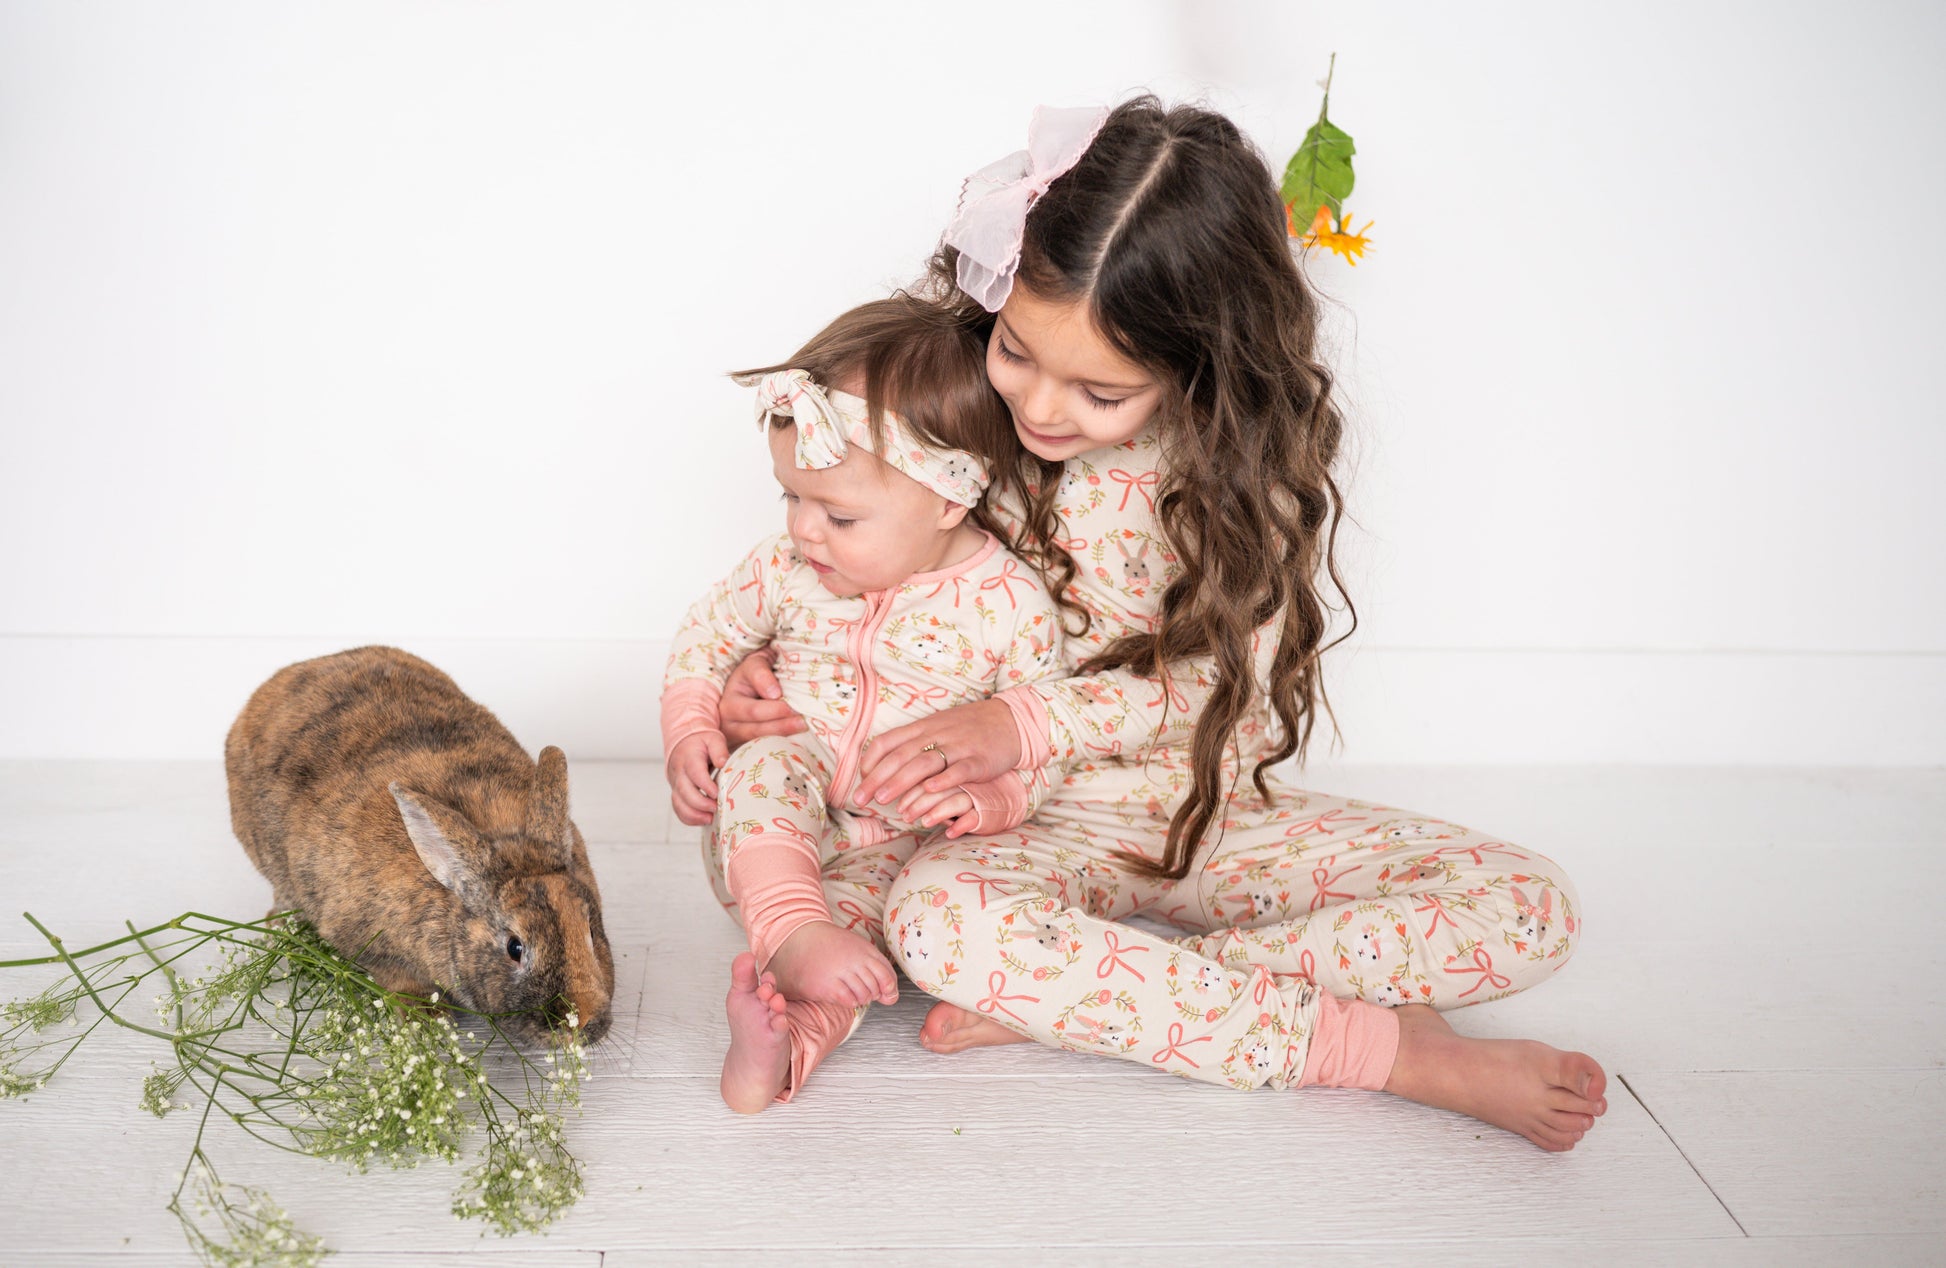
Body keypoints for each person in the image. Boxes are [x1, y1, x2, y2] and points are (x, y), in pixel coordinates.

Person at [715, 99, 1608, 1151]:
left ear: (1198, 361)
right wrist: (764, 667)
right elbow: (847, 550)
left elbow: (1208, 682)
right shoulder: (944, 408)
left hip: (1195, 817)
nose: (1042, 408)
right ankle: (1380, 1049)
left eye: (1100, 391)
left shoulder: (1236, 480)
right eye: (1017, 352)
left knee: (1528, 905)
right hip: (1006, 828)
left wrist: (1019, 722)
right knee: (927, 916)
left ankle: (1084, 995)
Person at [661, 297, 1065, 1112]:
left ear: (947, 502)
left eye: (839, 515)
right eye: (791, 498)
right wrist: (690, 728)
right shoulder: (784, 568)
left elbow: (1044, 740)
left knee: (863, 939)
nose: (805, 531)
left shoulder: (1007, 604)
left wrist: (991, 800)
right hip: (767, 840)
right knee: (765, 765)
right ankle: (789, 930)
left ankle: (781, 1049)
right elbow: (706, 635)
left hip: (895, 847)